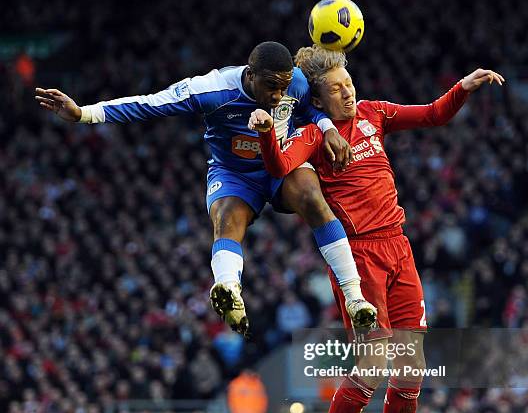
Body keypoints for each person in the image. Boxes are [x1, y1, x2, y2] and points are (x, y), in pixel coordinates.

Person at [249, 45, 504, 413]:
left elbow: (430, 115)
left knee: (411, 368)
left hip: (398, 249)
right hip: (358, 254)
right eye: (336, 89)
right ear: (318, 101)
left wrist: (462, 89)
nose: (348, 93)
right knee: (375, 359)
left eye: (349, 84)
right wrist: (266, 133)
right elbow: (280, 168)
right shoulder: (312, 135)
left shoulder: (374, 113)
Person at [35, 41, 376, 338]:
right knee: (228, 216)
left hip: (281, 161)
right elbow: (150, 104)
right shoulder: (213, 90)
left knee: (311, 196)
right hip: (234, 174)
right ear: (251, 74)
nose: (277, 96)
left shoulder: (295, 83)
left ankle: (355, 296)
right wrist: (83, 114)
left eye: (282, 87)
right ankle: (228, 288)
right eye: (270, 86)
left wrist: (327, 126)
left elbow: (309, 110)